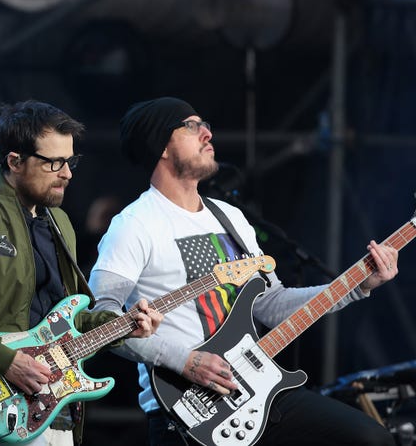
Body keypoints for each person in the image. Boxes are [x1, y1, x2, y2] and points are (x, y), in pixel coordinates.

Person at [89, 97, 400, 445]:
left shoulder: (229, 217)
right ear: (161, 146)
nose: (207, 133)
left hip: (256, 389)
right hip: (187, 409)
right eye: (192, 126)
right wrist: (185, 361)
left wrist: (359, 284)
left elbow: (270, 303)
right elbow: (102, 317)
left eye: (205, 124)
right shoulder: (133, 225)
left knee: (370, 439)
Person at [0, 100, 163, 446]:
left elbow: (71, 320)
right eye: (55, 162)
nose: (68, 173)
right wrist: (7, 360)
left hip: (56, 407)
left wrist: (124, 326)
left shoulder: (59, 223)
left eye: (70, 161)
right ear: (15, 161)